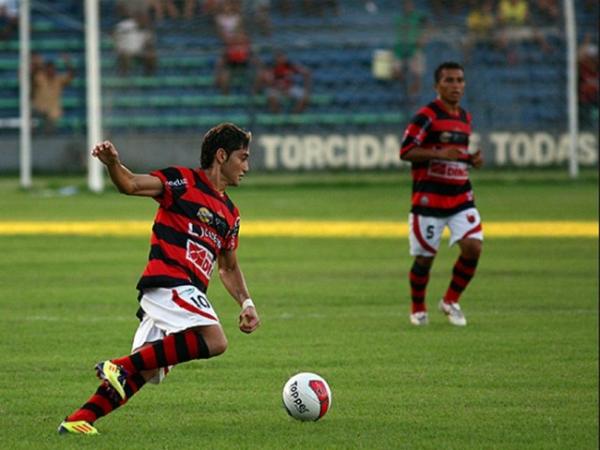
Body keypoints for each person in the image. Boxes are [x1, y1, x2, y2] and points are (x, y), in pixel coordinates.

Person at [58, 122, 261, 435]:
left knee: (146, 367)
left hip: (186, 293)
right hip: (168, 282)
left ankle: (77, 420)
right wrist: (113, 163)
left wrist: (246, 301)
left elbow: (229, 267)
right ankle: (120, 365)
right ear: (221, 155)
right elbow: (131, 185)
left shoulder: (231, 215)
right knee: (215, 340)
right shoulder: (182, 181)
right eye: (242, 157)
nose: (246, 166)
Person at [399, 62, 484, 327]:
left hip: (460, 196)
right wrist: (437, 153)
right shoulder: (427, 116)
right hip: (429, 200)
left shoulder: (464, 117)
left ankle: (450, 301)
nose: (455, 85)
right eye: (449, 80)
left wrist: (470, 160)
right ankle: (418, 309)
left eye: (459, 80)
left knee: (473, 247)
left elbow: (453, 156)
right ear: (437, 86)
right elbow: (406, 151)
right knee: (425, 258)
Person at [31, 55, 75, 133]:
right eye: (48, 69)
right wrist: (37, 63)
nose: (50, 71)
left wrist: (68, 63)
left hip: (52, 113)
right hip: (39, 110)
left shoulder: (58, 79)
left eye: (52, 69)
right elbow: (32, 75)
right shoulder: (40, 78)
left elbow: (71, 76)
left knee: (50, 128)